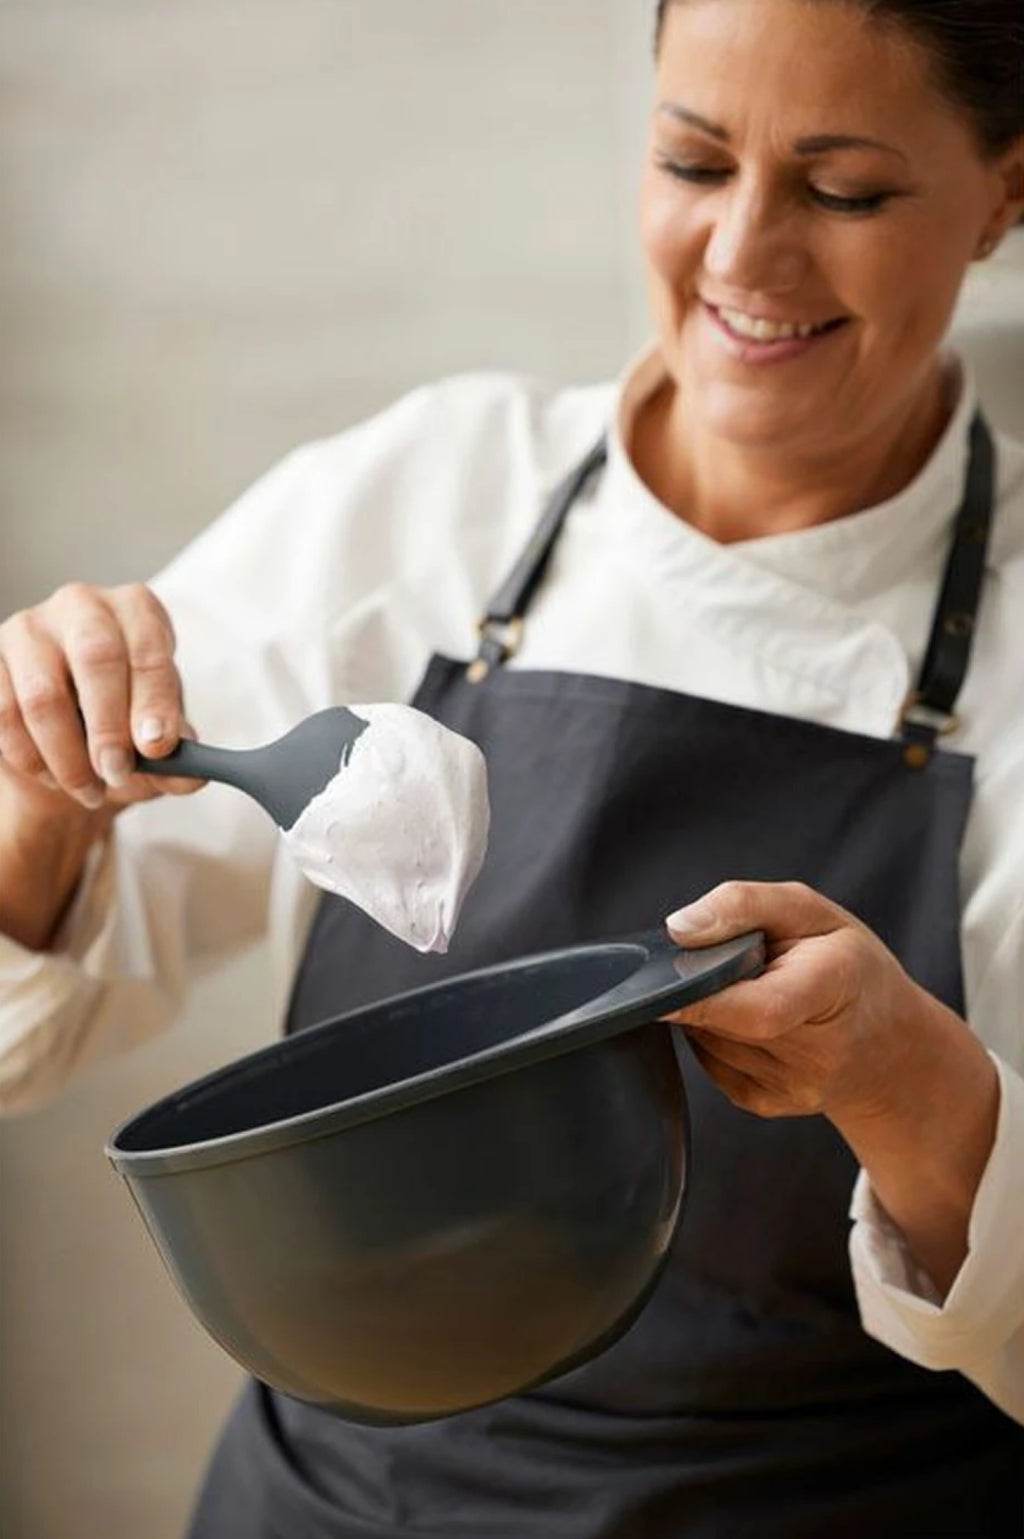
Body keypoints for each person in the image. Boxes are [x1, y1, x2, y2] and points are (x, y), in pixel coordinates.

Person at [1, 0, 1023, 1532]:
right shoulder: (429, 499)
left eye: (843, 190)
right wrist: (36, 797)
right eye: (692, 162)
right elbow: (20, 1042)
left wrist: (913, 1088)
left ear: (1005, 190)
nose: (744, 253)